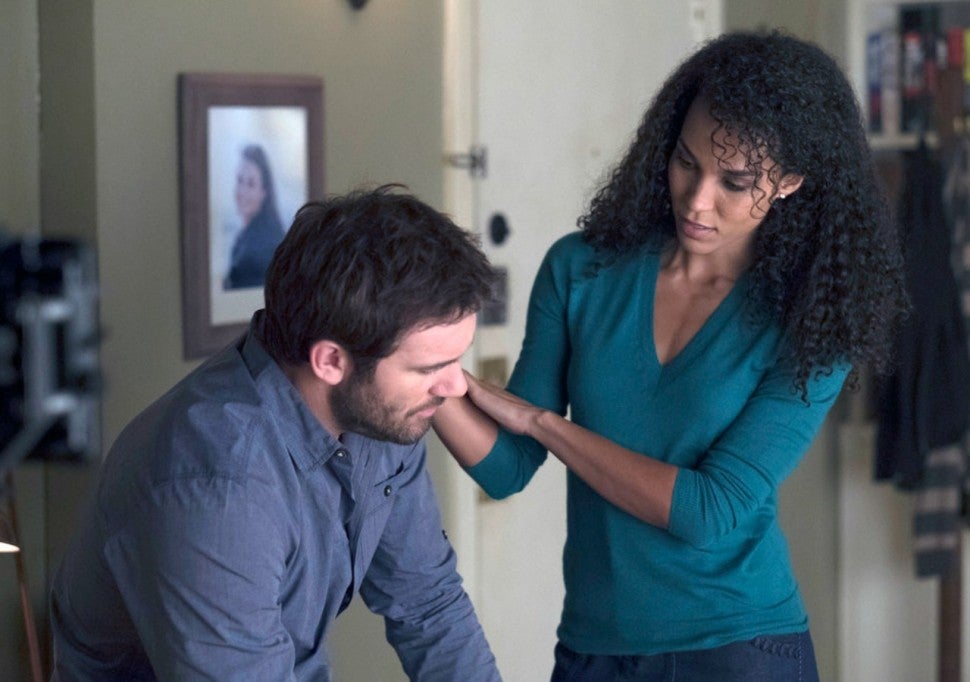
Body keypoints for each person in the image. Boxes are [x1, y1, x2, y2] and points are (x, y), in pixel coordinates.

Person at [433, 30, 909, 681]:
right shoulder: (581, 270)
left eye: (735, 182)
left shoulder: (814, 322)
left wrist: (544, 423)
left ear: (790, 182)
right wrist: (421, 372)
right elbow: (506, 466)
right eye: (686, 162)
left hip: (739, 648)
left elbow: (709, 512)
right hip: (594, 646)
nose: (697, 199)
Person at [50, 185, 501, 681]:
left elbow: (429, 605)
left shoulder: (380, 413)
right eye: (430, 368)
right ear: (331, 361)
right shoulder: (218, 487)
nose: (455, 386)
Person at [223, 143, 287, 290]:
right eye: (240, 181)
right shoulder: (244, 238)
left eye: (251, 184)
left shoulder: (265, 246)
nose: (242, 191)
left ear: (264, 192)